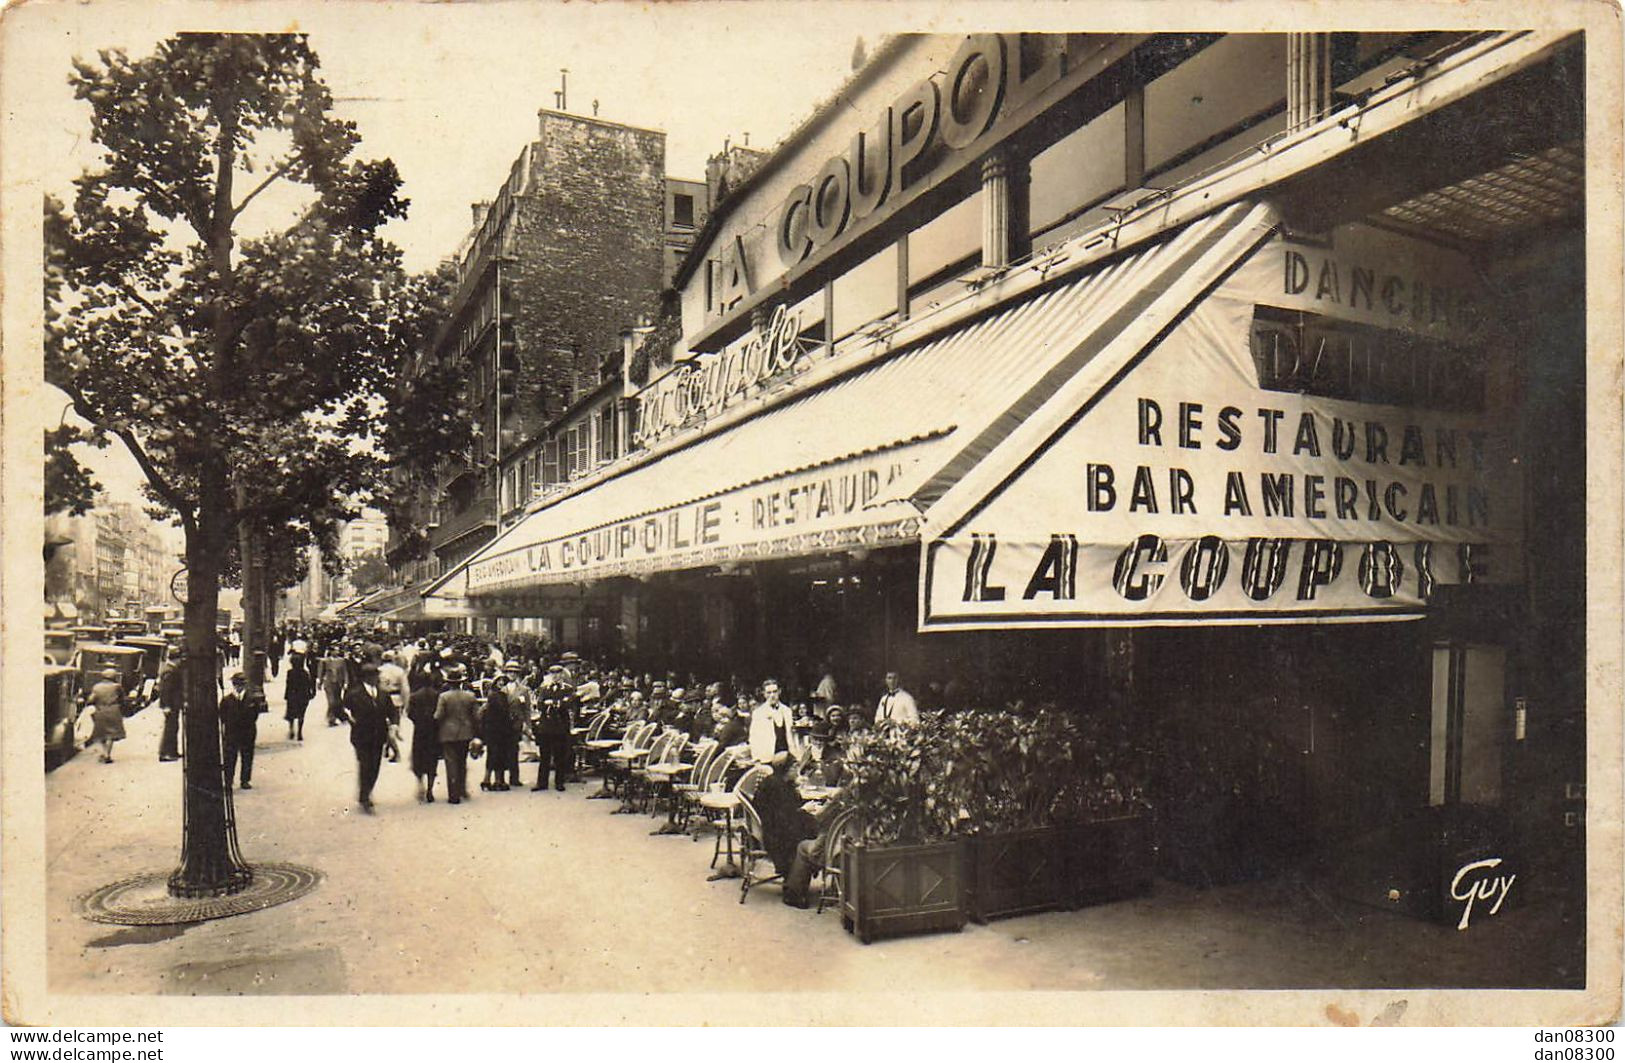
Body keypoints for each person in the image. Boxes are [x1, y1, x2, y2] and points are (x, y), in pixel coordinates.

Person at [343, 660, 399, 813]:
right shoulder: (355, 694)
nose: (377, 678)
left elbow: (393, 711)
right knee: (365, 765)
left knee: (375, 766)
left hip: (378, 735)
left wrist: (394, 724)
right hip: (361, 736)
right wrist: (349, 718)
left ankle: (367, 791)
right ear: (366, 678)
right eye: (375, 676)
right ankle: (365, 796)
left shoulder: (383, 694)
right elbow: (341, 708)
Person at [434, 664, 478, 805]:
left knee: (451, 763)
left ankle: (453, 795)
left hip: (448, 733)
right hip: (465, 733)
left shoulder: (444, 697)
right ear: (461, 682)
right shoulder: (470, 696)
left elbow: (438, 715)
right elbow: (476, 716)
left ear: (448, 683)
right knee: (462, 762)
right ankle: (462, 789)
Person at [220, 671, 263, 790]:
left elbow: (255, 715)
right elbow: (222, 716)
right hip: (232, 733)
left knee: (247, 756)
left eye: (241, 684)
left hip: (247, 732)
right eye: (237, 684)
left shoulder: (252, 699)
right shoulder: (227, 700)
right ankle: (228, 781)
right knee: (230, 757)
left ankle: (245, 780)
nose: (239, 687)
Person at [748, 678, 803, 766]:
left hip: (788, 757)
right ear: (764, 694)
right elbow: (754, 739)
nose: (772, 695)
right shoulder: (759, 713)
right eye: (769, 693)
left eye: (775, 691)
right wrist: (757, 760)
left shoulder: (787, 711)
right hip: (767, 758)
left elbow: (792, 735)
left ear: (779, 692)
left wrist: (797, 755)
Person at [407, 669, 442, 802]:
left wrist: (419, 721)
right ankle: (430, 789)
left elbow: (410, 714)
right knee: (432, 761)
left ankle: (420, 784)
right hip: (433, 731)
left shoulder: (414, 696)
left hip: (420, 731)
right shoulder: (437, 695)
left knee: (419, 759)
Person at [530, 689, 573, 792]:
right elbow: (539, 705)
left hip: (559, 727)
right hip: (546, 727)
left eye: (558, 673)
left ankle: (559, 783)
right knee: (544, 756)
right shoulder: (545, 689)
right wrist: (545, 703)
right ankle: (542, 783)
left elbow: (570, 704)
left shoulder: (566, 689)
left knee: (559, 756)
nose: (555, 676)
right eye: (553, 673)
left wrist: (558, 703)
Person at [84, 667, 127, 764]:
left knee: (101, 733)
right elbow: (122, 699)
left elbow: (91, 700)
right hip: (114, 710)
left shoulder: (96, 687)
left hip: (100, 710)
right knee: (111, 734)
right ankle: (107, 754)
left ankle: (104, 753)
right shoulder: (117, 687)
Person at [156, 649, 184, 761]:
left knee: (173, 727)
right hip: (171, 704)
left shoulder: (170, 669)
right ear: (176, 659)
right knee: (170, 728)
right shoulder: (170, 671)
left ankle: (172, 751)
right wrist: (166, 705)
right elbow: (166, 690)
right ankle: (165, 753)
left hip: (173, 703)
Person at [283, 651, 314, 741]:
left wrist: (286, 696)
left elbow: (288, 685)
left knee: (291, 714)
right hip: (303, 696)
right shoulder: (305, 673)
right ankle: (300, 732)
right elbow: (308, 685)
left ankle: (291, 729)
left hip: (292, 695)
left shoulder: (290, 672)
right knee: (301, 714)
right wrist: (310, 694)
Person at [318, 652, 349, 727]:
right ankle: (331, 719)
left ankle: (341, 716)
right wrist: (320, 682)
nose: (336, 652)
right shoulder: (325, 661)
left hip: (338, 683)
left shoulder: (341, 661)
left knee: (338, 700)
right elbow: (320, 672)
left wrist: (346, 682)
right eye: (334, 650)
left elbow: (345, 672)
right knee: (331, 701)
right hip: (328, 683)